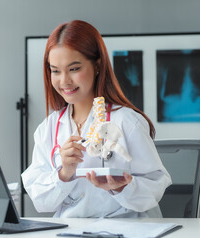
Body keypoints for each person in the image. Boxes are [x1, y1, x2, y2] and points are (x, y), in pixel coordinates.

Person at [21, 20, 172, 218]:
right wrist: (63, 174)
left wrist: (122, 187)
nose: (64, 80)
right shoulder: (48, 128)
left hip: (125, 230)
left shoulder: (126, 121)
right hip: (70, 232)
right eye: (55, 70)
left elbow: (155, 185)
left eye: (74, 69)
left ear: (98, 66)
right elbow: (41, 201)